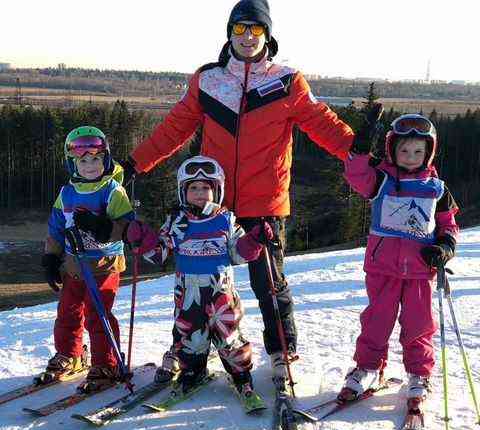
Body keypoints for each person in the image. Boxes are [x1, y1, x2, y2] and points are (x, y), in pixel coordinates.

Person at [122, 0, 354, 391]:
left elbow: (323, 125)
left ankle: (282, 352)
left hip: (265, 201)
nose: (247, 37)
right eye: (240, 29)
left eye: (255, 30)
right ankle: (192, 349)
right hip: (213, 203)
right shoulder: (208, 80)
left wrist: (357, 147)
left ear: (268, 34)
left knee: (268, 282)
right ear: (229, 34)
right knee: (202, 283)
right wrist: (135, 163)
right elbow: (173, 129)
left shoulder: (287, 81)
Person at [125, 155, 273, 399]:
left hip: (221, 294)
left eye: (206, 187)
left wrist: (255, 240)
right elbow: (159, 254)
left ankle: (241, 374)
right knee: (191, 336)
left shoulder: (226, 220)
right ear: (184, 191)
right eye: (193, 187)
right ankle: (193, 371)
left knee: (229, 335)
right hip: (188, 294)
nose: (200, 192)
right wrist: (143, 240)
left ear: (217, 190)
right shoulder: (177, 221)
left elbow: (238, 253)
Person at [338, 109, 459, 406]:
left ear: (428, 153)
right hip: (383, 269)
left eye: (418, 151)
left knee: (418, 325)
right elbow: (356, 174)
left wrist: (444, 247)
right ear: (392, 149)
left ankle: (419, 374)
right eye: (404, 149)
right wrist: (361, 146)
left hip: (420, 270)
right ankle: (368, 368)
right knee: (376, 322)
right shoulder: (380, 180)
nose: (410, 155)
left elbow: (448, 224)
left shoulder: (437, 189)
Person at [40, 126, 135, 392]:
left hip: (104, 265)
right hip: (74, 266)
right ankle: (70, 353)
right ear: (73, 163)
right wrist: (50, 257)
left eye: (95, 159)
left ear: (105, 159)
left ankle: (106, 362)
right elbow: (56, 229)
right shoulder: (67, 193)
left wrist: (104, 227)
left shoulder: (112, 190)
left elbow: (127, 226)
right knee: (68, 311)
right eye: (83, 160)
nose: (90, 165)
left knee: (98, 314)